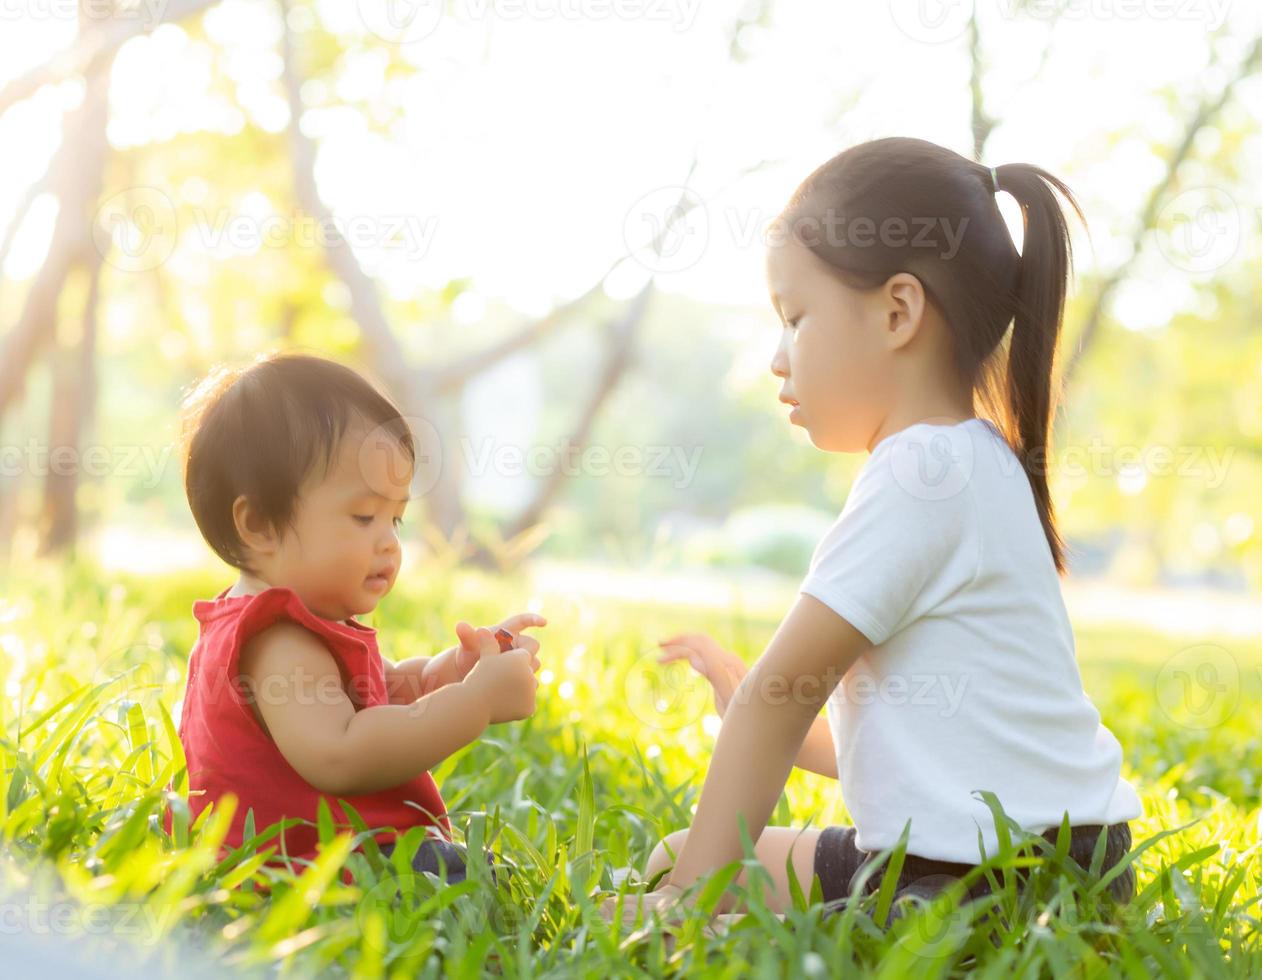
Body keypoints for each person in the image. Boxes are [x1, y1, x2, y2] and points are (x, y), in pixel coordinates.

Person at [608, 136, 1142, 924]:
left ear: (898, 311)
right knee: (670, 858)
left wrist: (690, 906)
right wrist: (755, 718)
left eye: (795, 319)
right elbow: (913, 750)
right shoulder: (970, 459)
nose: (776, 360)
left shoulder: (924, 473)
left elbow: (777, 700)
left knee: (737, 917)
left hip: (1012, 874)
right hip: (1002, 859)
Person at [162, 351, 544, 889]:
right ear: (260, 525)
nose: (388, 541)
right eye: (364, 516)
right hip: (304, 868)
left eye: (396, 518)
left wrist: (452, 672)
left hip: (334, 856)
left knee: (467, 873)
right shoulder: (276, 641)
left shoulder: (304, 622)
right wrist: (475, 702)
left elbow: (380, 691)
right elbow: (341, 754)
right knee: (470, 881)